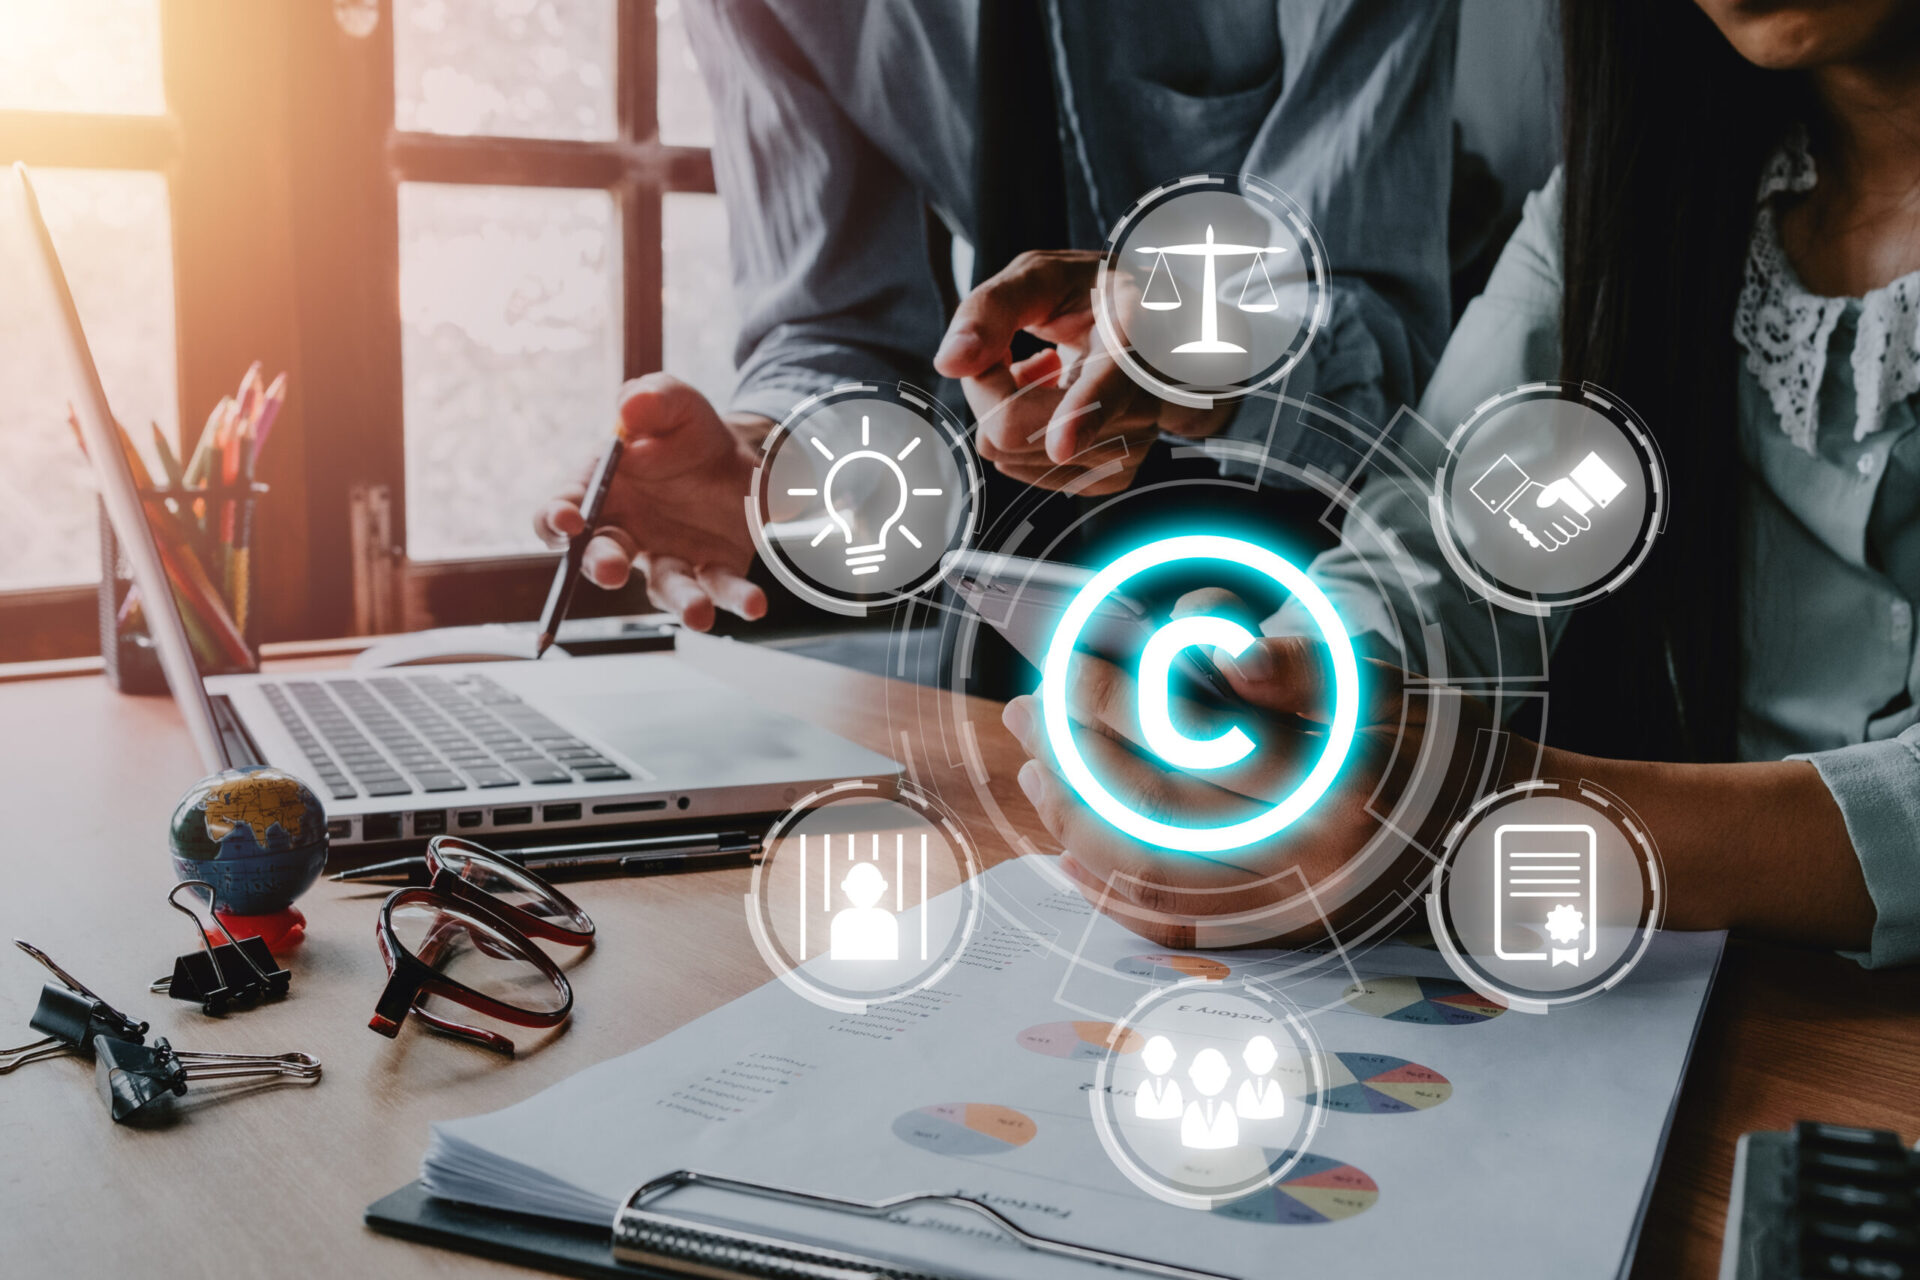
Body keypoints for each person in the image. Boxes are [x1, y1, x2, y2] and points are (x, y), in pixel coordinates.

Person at [1002, 0, 1920, 965]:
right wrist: (1287, 718)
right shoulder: (1624, 194)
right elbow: (1443, 554)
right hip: (1717, 1000)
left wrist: (1479, 823)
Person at [535, 0, 1460, 633]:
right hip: (1022, 604)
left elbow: (1374, 326)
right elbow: (834, 321)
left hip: (1348, 550)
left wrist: (1200, 351)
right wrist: (775, 453)